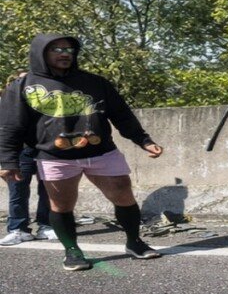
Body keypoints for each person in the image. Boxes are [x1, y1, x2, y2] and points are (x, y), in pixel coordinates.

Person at [0, 34, 164, 270]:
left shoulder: (95, 82)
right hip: (54, 156)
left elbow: (121, 114)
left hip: (101, 152)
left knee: (123, 194)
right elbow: (10, 126)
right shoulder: (22, 86)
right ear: (41, 53)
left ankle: (134, 242)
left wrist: (143, 140)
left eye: (68, 49)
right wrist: (8, 160)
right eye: (56, 49)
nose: (64, 53)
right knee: (62, 205)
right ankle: (73, 251)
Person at [0, 70, 56, 246]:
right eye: (21, 80)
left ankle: (45, 226)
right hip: (19, 152)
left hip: (45, 149)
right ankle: (18, 229)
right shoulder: (8, 101)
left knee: (48, 189)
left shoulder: (48, 101)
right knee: (18, 191)